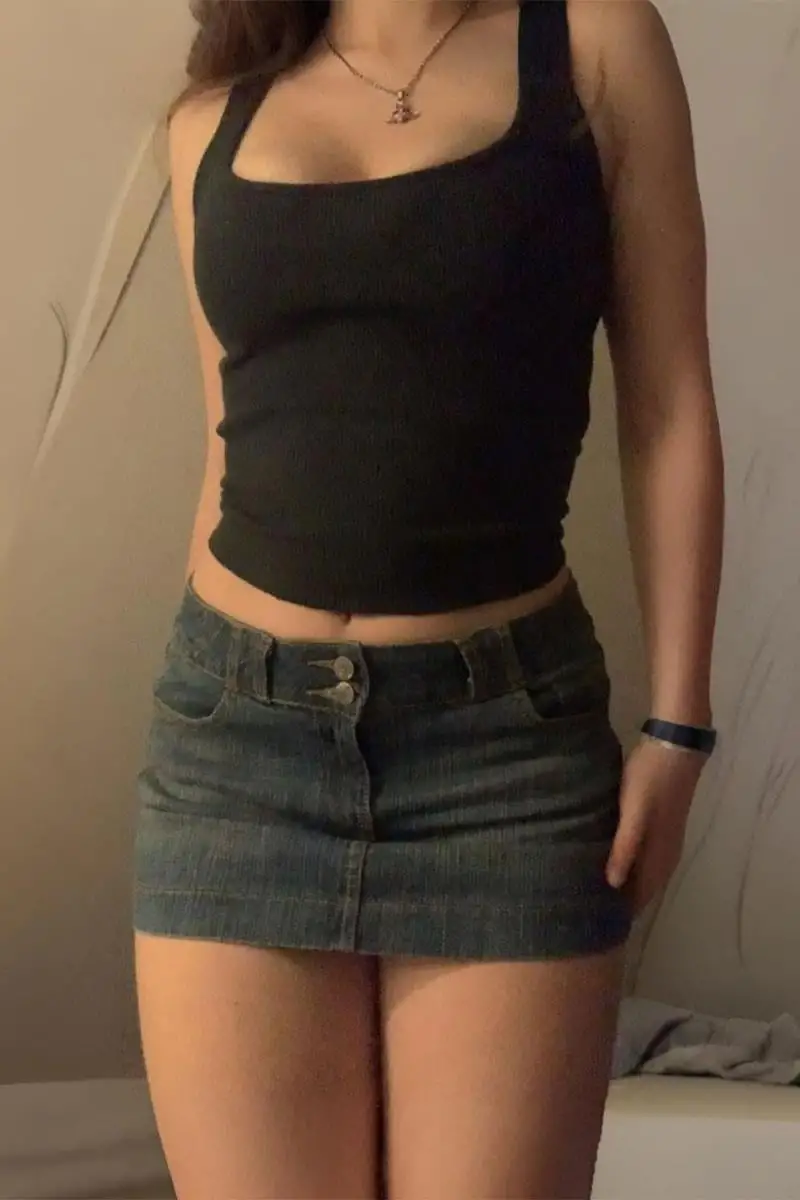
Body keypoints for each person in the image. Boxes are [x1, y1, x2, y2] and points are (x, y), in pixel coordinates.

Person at [133, 1, 724, 1197]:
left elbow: (666, 403)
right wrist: (206, 704)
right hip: (234, 752)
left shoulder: (594, 42)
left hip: (502, 753)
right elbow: (227, 446)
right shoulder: (207, 120)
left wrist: (678, 727)